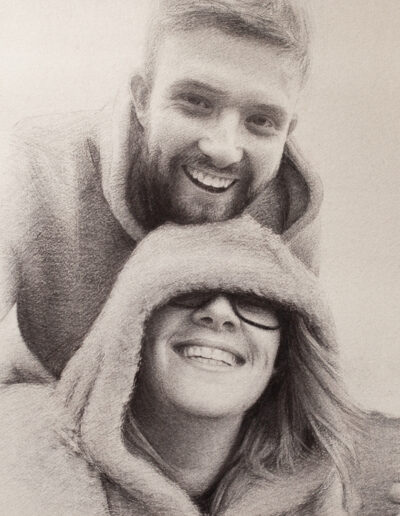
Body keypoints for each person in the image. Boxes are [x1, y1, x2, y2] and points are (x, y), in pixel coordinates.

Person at [0, 0, 322, 379]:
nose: (224, 150)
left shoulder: (289, 206)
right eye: (196, 102)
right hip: (49, 390)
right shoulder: (37, 167)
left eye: (261, 120)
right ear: (142, 97)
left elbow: (299, 387)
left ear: (287, 131)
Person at [0, 217, 399, 515]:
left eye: (255, 300)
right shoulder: (23, 449)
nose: (220, 314)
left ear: (283, 357)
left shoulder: (311, 487)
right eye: (187, 289)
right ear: (130, 330)